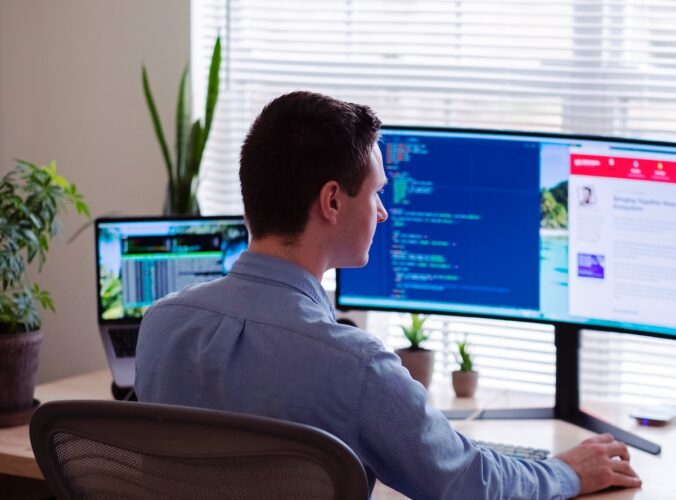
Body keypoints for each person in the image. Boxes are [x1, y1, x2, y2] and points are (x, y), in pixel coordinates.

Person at [135, 91, 641, 499]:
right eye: (376, 193)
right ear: (332, 201)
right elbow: (469, 485)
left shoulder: (161, 325)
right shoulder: (353, 365)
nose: (383, 213)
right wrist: (568, 472)